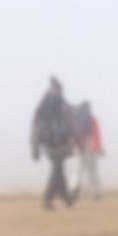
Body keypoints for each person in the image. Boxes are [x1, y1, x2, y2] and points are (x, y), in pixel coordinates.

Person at [30, 76, 76, 210]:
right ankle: (47, 199)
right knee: (57, 169)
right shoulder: (55, 104)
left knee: (58, 169)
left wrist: (35, 146)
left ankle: (66, 198)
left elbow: (36, 126)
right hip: (56, 143)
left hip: (52, 142)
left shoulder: (45, 104)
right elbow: (70, 121)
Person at [74, 101, 104, 200]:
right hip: (91, 146)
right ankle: (95, 193)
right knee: (93, 171)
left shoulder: (77, 119)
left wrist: (75, 146)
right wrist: (99, 148)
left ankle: (73, 190)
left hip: (80, 147)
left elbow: (74, 134)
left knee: (78, 170)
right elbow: (97, 134)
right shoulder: (92, 119)